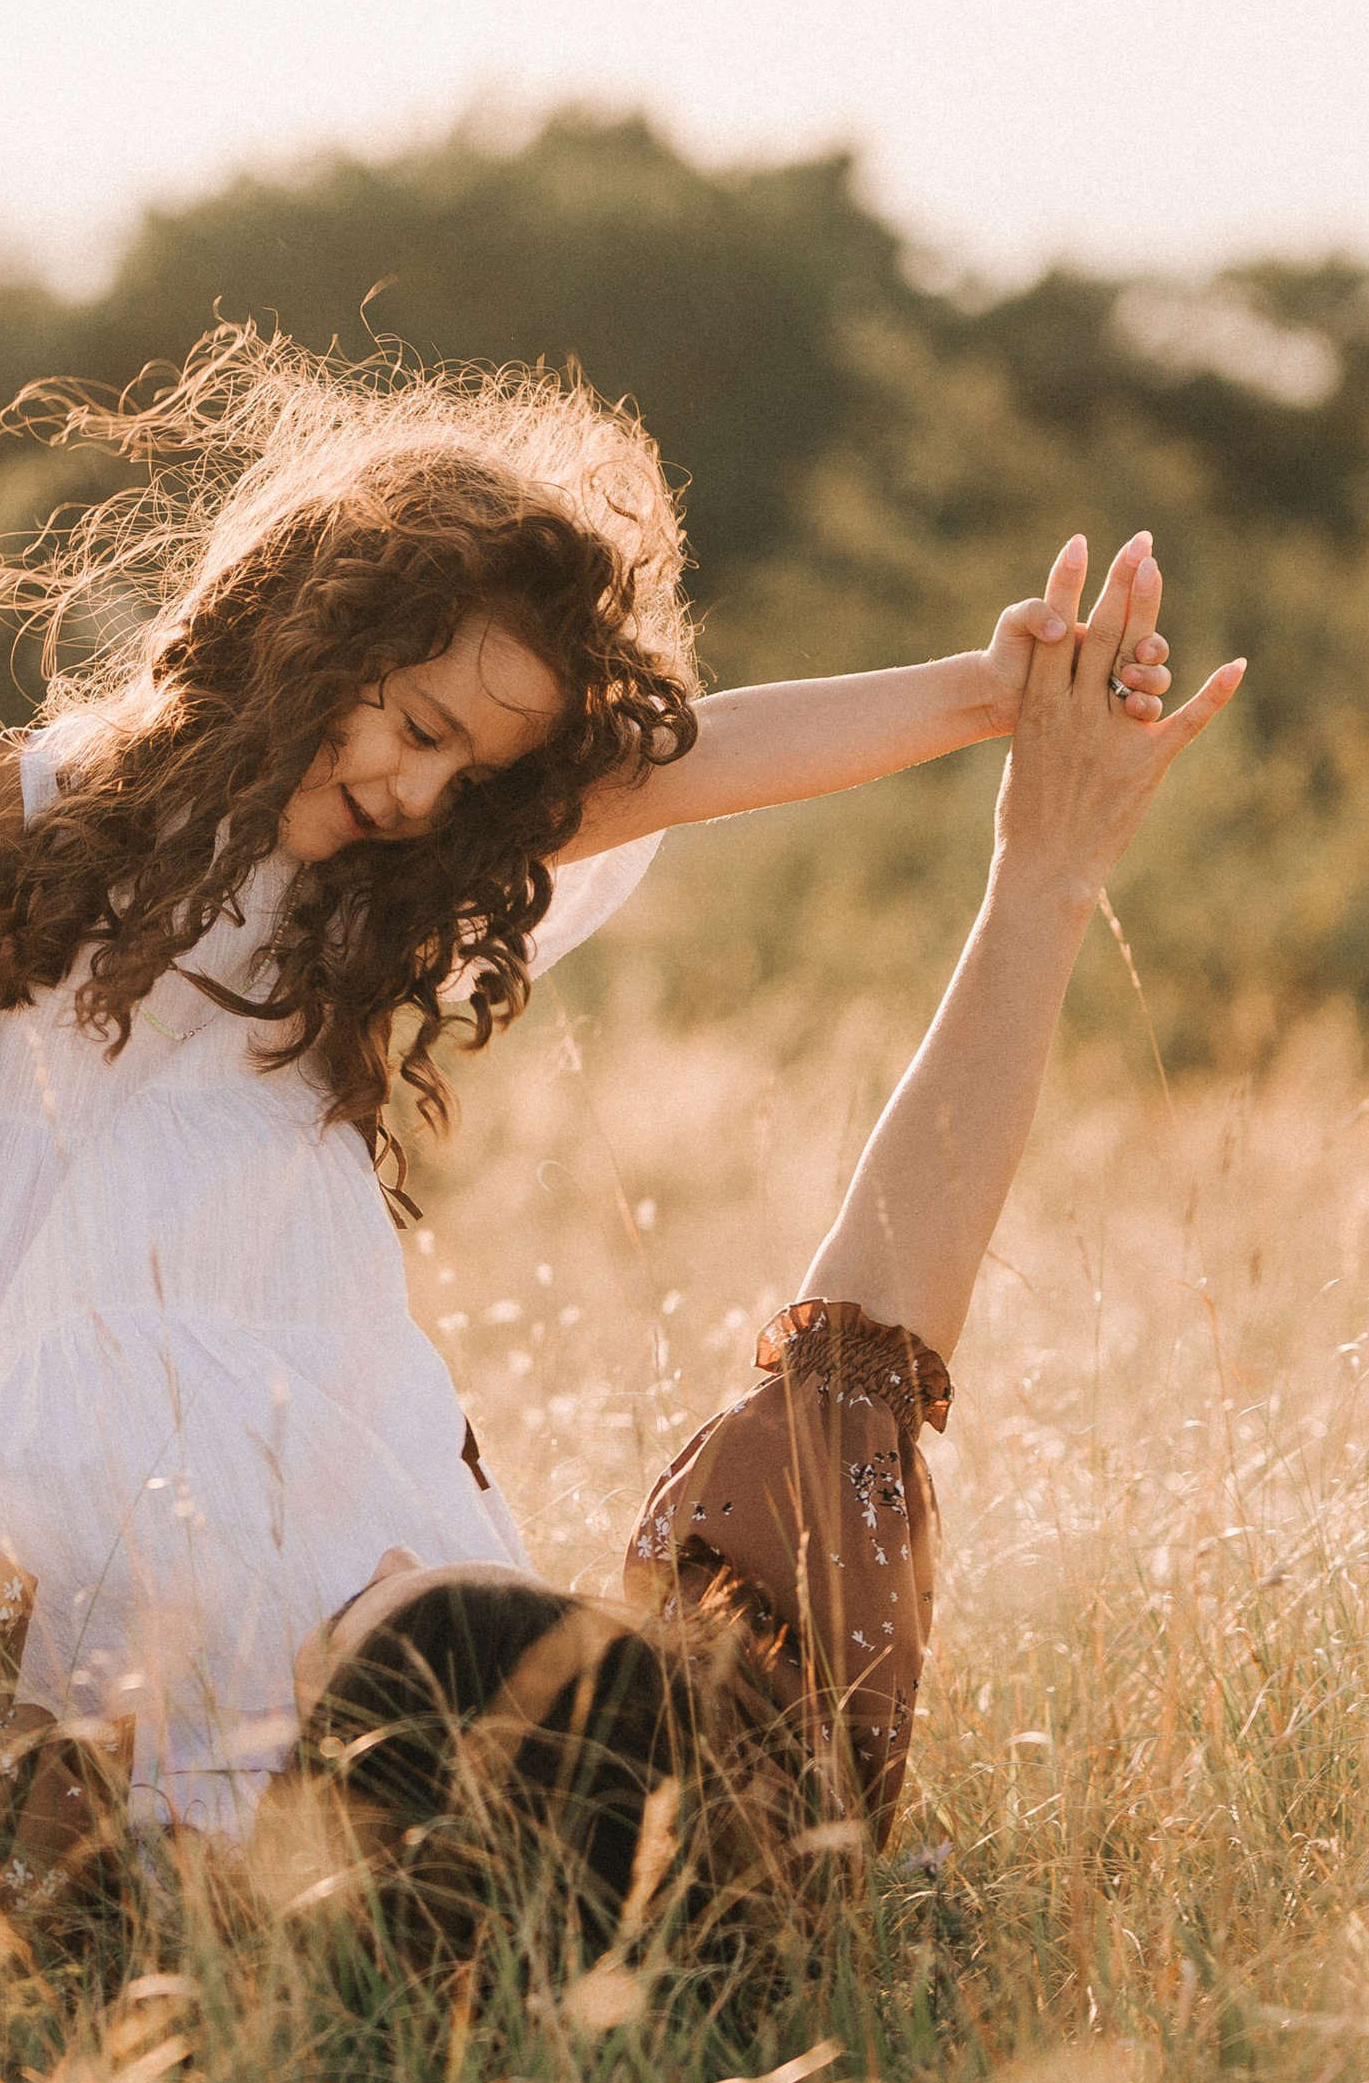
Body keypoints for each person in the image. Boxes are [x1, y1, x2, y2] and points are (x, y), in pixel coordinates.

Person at [0, 338, 1181, 1852]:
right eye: (420, 727)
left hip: (311, 1439)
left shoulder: (388, 892)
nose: (430, 792)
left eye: (474, 774)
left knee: (299, 1803)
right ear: (313, 633)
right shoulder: (6, 834)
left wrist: (983, 694)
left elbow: (699, 758)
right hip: (17, 1418)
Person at [266, 515, 1242, 1959]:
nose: (390, 1546)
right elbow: (876, 1321)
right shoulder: (728, 1845)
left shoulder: (114, 1869)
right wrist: (1046, 869)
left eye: (352, 1615)